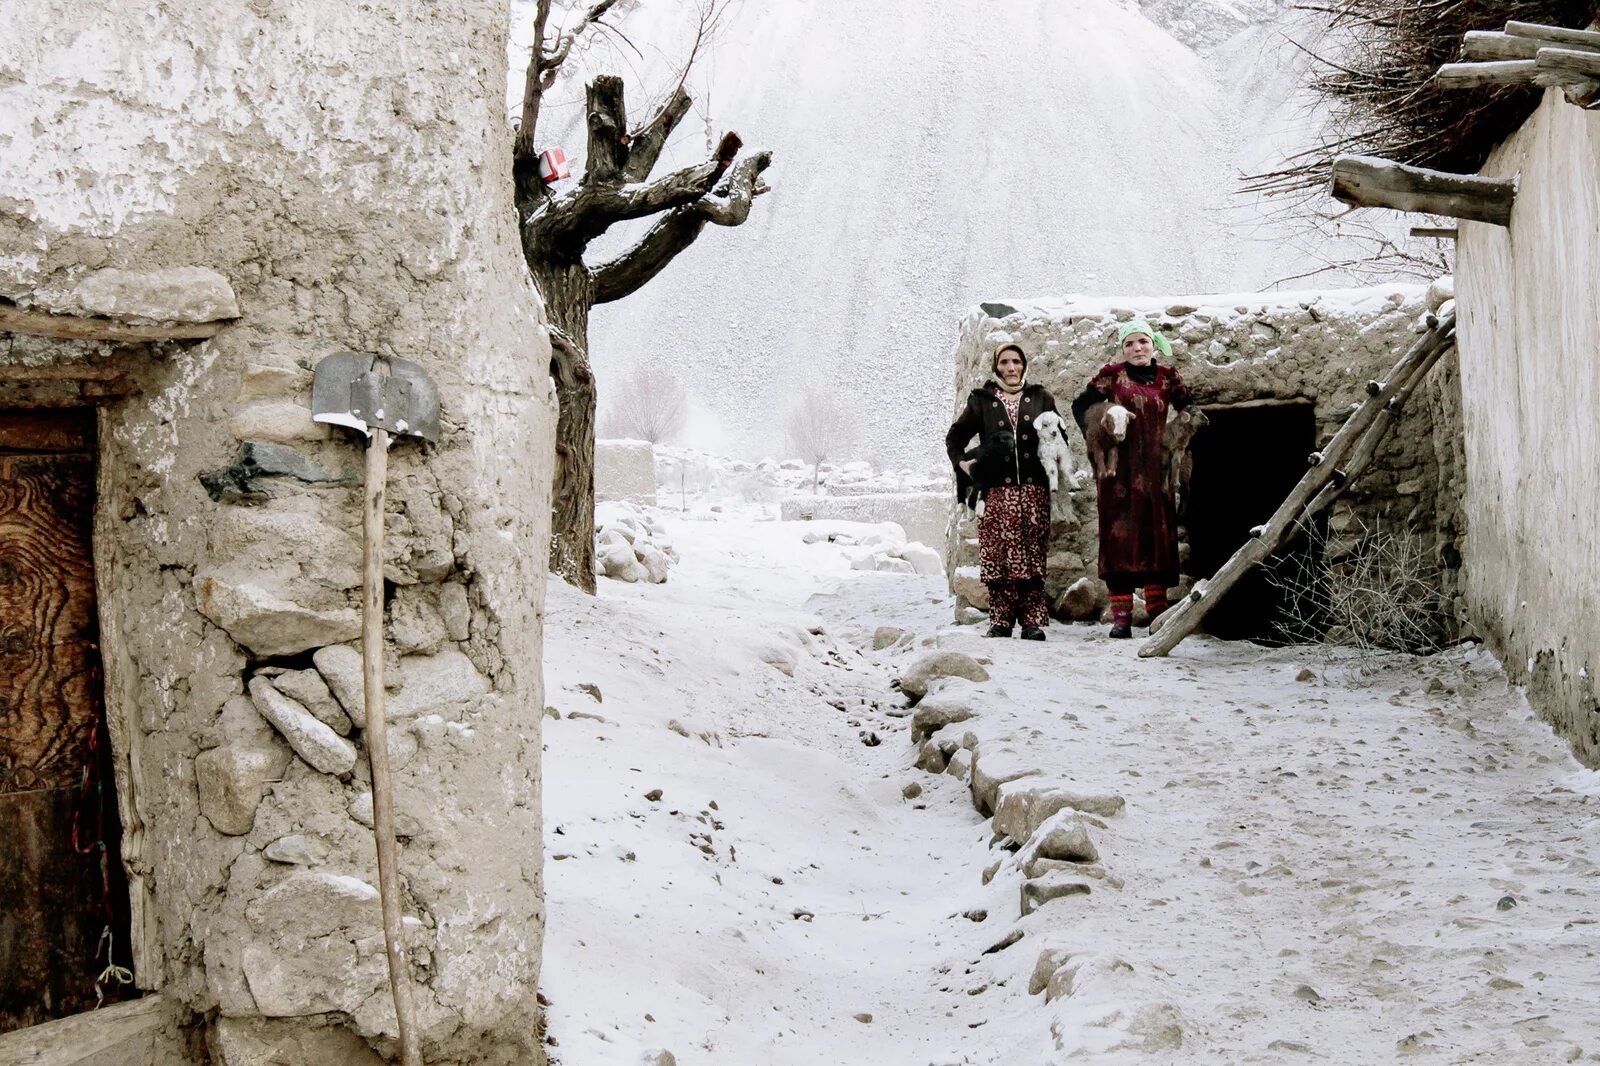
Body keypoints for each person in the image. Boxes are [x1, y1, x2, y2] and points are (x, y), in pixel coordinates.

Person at [1072, 321, 1193, 639]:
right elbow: (1081, 405)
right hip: (1118, 473)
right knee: (1119, 538)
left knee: (1158, 537)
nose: (1137, 349)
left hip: (1156, 471)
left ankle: (1157, 612)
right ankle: (1121, 617)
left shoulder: (1168, 377)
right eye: (1130, 344)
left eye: (1142, 342)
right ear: (1123, 349)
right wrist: (1102, 423)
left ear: (1154, 345)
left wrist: (1182, 436)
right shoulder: (1112, 375)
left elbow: (1187, 408)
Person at [945, 342, 1061, 640]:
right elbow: (955, 438)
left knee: (1033, 553)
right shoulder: (982, 400)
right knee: (999, 555)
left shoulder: (1040, 397)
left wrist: (1052, 458)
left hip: (1034, 491)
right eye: (1005, 362)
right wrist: (965, 465)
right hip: (996, 492)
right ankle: (1001, 620)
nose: (1011, 368)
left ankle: (1032, 622)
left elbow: (1059, 436)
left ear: (1024, 365)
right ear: (996, 367)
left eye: (1017, 362)